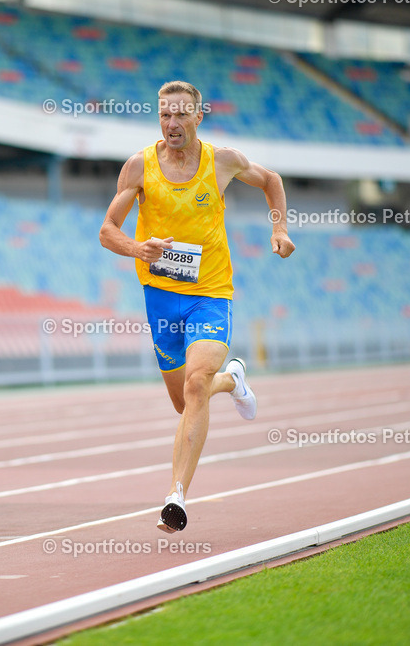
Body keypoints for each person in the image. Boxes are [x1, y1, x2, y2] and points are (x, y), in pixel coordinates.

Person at [99, 81, 295, 533]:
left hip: (210, 292)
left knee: (196, 383)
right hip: (161, 297)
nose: (172, 123)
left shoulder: (222, 161)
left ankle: (176, 496)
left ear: (198, 117)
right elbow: (108, 230)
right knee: (183, 401)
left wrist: (279, 229)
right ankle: (234, 380)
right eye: (165, 115)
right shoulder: (139, 167)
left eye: (181, 114)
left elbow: (272, 181)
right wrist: (138, 249)